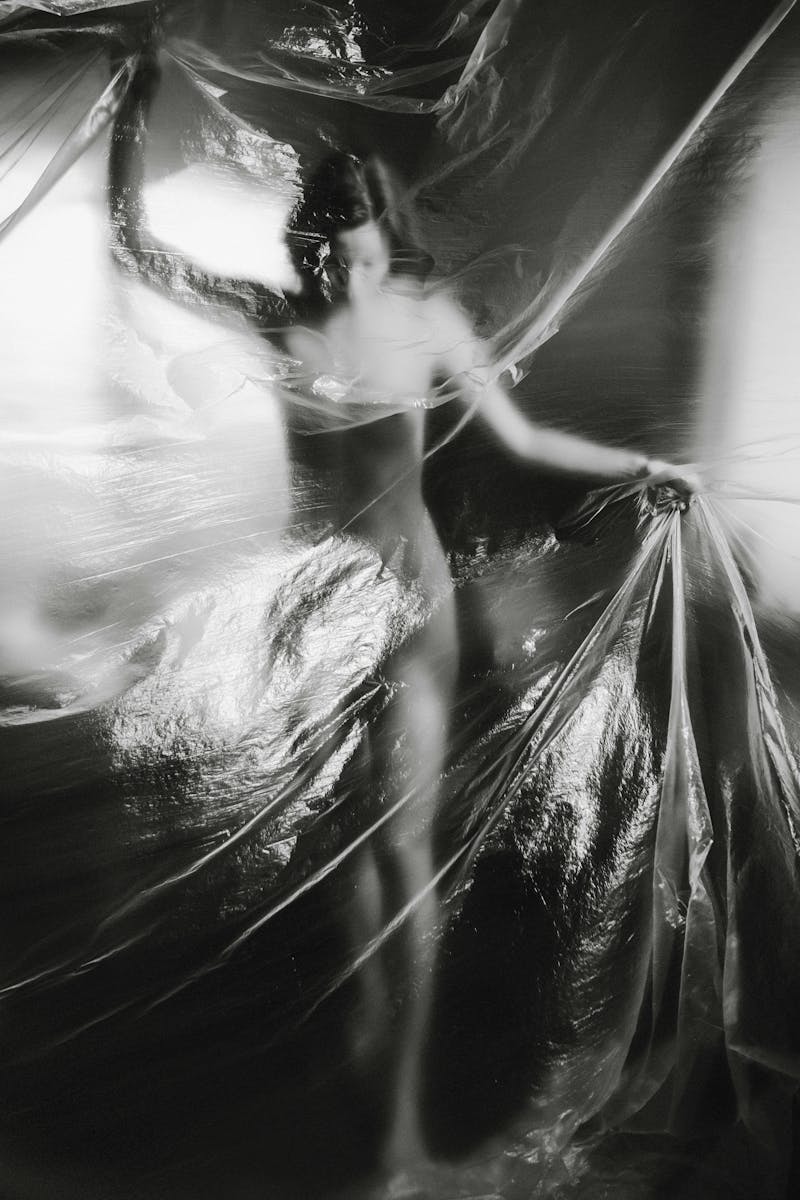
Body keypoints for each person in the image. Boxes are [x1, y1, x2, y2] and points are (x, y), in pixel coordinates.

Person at [107, 43, 696, 1170]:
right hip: (316, 607)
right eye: (325, 247)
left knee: (403, 851)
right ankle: (369, 1060)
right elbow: (137, 250)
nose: (342, 266)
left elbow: (524, 439)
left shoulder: (426, 324)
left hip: (408, 597)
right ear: (307, 245)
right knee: (339, 847)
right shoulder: (280, 315)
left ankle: (401, 1124)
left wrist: (638, 466)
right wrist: (132, 112)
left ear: (389, 235)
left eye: (360, 242)